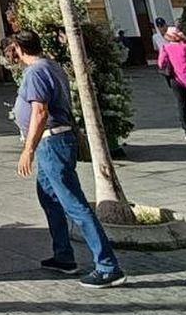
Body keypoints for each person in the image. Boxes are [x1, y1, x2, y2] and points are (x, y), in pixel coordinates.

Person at [9, 29, 126, 288]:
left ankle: (108, 266)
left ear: (18, 48)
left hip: (51, 142)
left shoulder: (36, 71)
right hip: (53, 143)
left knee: (74, 204)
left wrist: (28, 149)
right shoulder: (50, 65)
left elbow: (40, 111)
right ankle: (64, 256)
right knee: (49, 197)